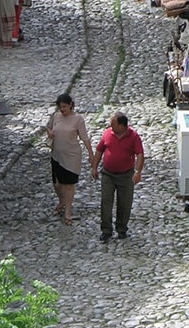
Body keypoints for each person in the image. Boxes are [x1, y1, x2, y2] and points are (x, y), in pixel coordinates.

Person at [91, 110, 145, 242]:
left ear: (122, 125)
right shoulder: (107, 134)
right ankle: (106, 230)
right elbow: (99, 150)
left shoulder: (133, 137)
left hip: (126, 175)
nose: (111, 126)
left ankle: (122, 229)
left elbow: (140, 154)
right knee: (106, 201)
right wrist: (94, 167)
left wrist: (138, 172)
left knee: (125, 203)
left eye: (113, 124)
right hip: (108, 174)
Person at [45, 94, 94, 225]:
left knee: (69, 185)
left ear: (71, 104)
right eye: (60, 107)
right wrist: (49, 132)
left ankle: (68, 210)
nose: (62, 109)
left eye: (64, 106)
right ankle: (62, 201)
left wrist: (91, 154)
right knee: (57, 184)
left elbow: (84, 137)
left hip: (72, 156)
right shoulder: (56, 116)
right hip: (57, 154)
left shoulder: (78, 119)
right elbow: (48, 126)